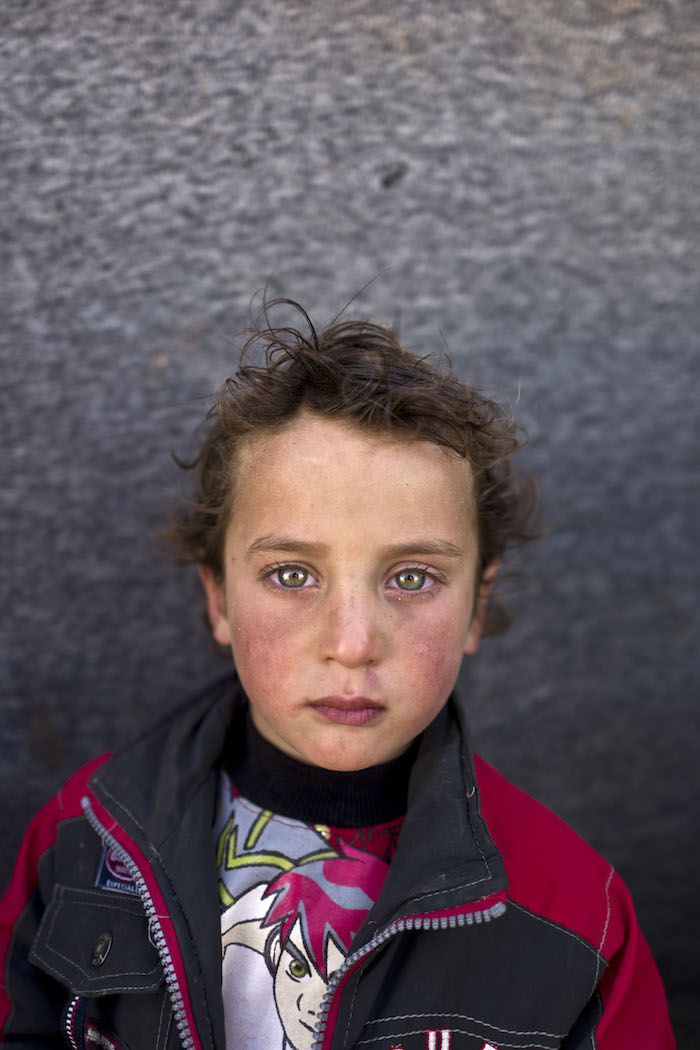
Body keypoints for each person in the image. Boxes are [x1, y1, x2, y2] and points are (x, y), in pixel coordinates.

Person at [0, 299, 674, 1049]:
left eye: (412, 579)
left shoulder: (576, 912)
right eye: (292, 575)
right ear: (218, 600)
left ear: (477, 608)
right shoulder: (83, 838)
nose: (352, 644)